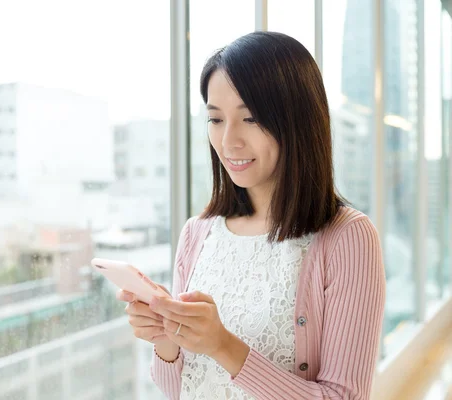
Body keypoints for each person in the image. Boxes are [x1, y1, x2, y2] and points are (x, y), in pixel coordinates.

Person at [116, 31, 385, 400]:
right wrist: (167, 338)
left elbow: (344, 396)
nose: (229, 142)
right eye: (215, 119)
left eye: (251, 118)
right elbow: (181, 389)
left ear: (298, 121)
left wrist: (222, 345)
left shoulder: (347, 237)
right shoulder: (197, 234)